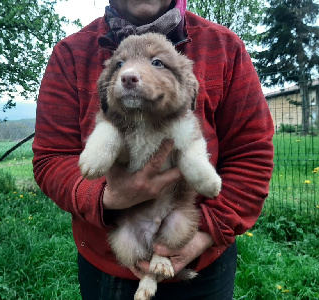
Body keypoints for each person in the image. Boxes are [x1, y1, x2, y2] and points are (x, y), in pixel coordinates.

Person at [32, 0, 274, 299]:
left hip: (204, 259)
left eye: (157, 63)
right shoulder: (70, 54)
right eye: (120, 66)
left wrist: (205, 232)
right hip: (109, 261)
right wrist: (106, 196)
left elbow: (252, 152)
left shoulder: (224, 47)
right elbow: (50, 158)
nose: (131, 74)